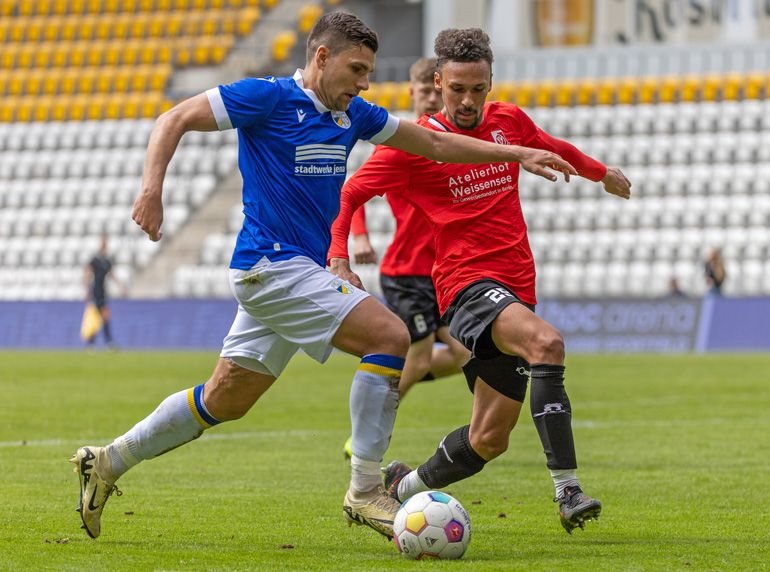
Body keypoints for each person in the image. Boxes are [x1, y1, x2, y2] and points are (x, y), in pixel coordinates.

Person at [69, 12, 579, 541]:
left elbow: (439, 146)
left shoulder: (353, 114)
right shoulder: (265, 98)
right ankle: (364, 491)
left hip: (294, 273)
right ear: (321, 57)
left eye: (369, 72)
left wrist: (516, 151)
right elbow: (171, 119)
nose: (364, 83)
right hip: (270, 265)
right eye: (356, 69)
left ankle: (107, 462)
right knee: (390, 335)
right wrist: (152, 189)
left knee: (225, 399)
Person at [328, 28, 631, 534]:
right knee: (547, 343)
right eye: (457, 89)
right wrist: (340, 252)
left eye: (478, 89)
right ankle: (568, 489)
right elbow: (348, 194)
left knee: (489, 438)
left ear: (490, 83)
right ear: (439, 81)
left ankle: (399, 487)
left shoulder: (508, 121)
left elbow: (552, 147)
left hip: (516, 286)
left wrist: (601, 173)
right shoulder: (415, 143)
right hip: (465, 285)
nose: (468, 101)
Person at [342, 57, 470, 459]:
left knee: (468, 353)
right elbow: (355, 191)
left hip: (444, 270)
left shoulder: (455, 141)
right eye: (426, 91)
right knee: (418, 348)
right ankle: (373, 425)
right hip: (405, 271)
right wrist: (358, 237)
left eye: (438, 91)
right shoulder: (400, 140)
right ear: (413, 92)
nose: (433, 98)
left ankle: (389, 391)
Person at [83, 236, 126, 348]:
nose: (104, 246)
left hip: (102, 292)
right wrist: (87, 289)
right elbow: (88, 273)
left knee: (105, 317)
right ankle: (92, 343)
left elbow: (112, 275)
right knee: (95, 318)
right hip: (95, 292)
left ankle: (106, 341)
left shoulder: (107, 261)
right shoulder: (95, 260)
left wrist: (120, 286)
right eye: (103, 243)